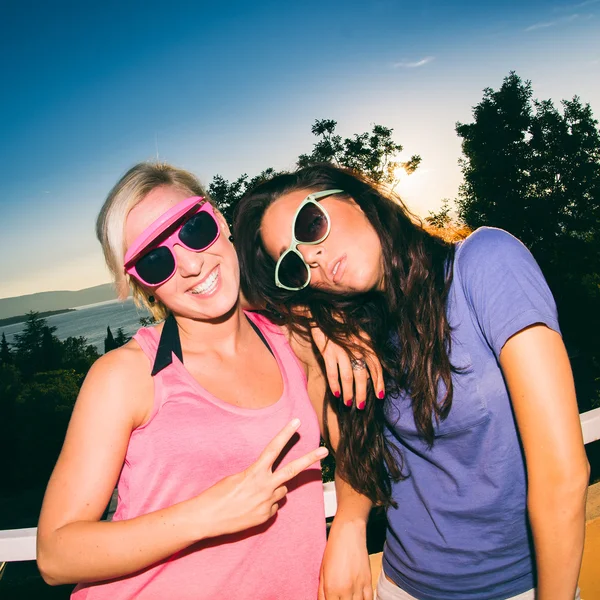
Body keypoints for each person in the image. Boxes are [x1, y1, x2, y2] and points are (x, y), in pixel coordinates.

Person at [233, 163, 590, 600]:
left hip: (521, 585)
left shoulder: (484, 263)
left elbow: (563, 476)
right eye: (293, 265)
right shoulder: (360, 332)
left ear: (355, 197)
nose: (311, 257)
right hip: (402, 585)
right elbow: (230, 288)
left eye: (310, 225)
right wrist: (318, 319)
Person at [36, 162, 374, 600]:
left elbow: (356, 446)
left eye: (194, 230)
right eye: (156, 260)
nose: (191, 264)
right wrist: (206, 515)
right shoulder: (126, 376)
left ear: (218, 219)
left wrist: (350, 522)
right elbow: (55, 555)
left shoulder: (296, 341)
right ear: (142, 284)